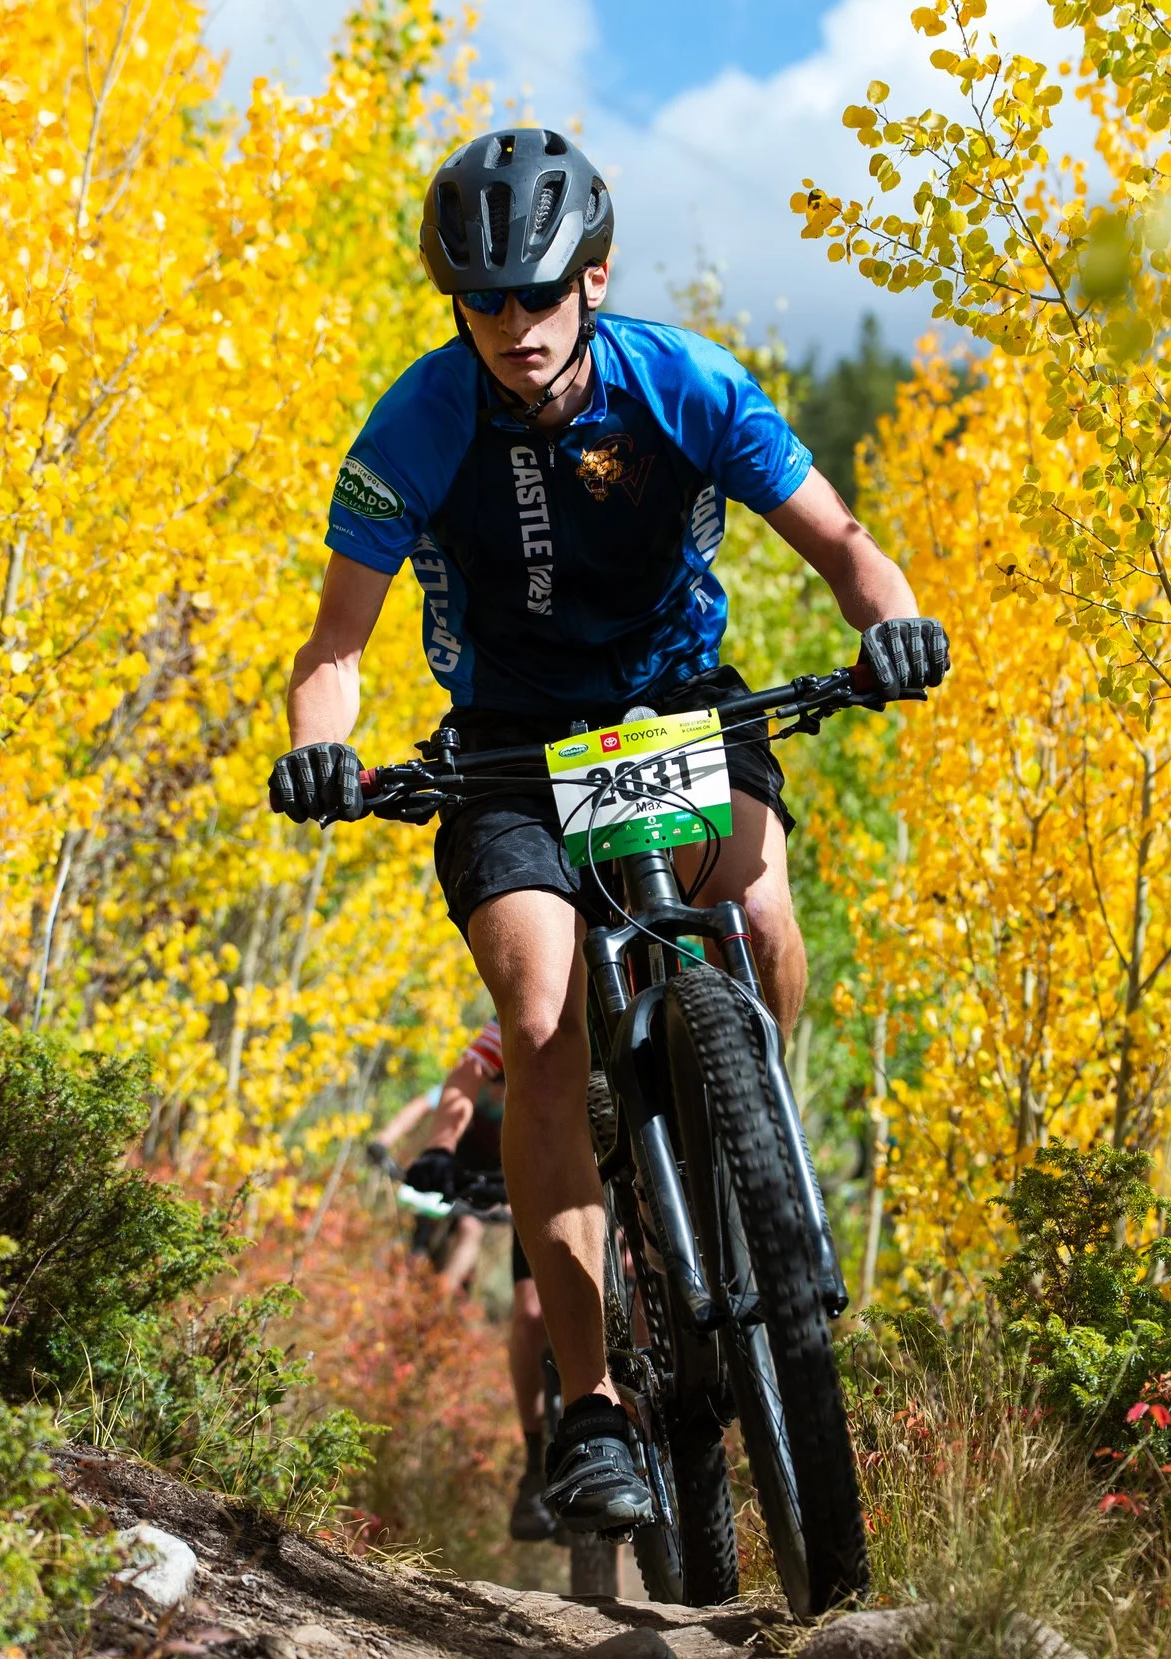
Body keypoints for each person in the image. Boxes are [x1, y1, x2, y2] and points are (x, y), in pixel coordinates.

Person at [269, 127, 949, 1533]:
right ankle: (590, 1411)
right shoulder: (413, 426)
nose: (516, 326)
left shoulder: (685, 382)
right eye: (486, 302)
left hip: (672, 706)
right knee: (536, 1012)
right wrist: (319, 753)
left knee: (760, 928)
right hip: (510, 748)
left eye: (540, 293)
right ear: (458, 305)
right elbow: (337, 644)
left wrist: (890, 625)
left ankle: (751, 1149)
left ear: (595, 276)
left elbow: (839, 540)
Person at [367, 1019, 561, 1542]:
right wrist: (402, 1144)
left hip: (539, 1177)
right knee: (526, 1309)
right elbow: (440, 1094)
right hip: (473, 1180)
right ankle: (535, 1461)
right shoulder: (517, 1034)